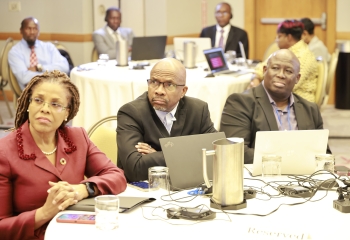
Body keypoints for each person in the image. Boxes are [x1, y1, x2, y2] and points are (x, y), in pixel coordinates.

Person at [0, 70, 127, 240]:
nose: (45, 109)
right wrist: (44, 213)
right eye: (38, 100)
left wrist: (83, 189)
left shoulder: (78, 138)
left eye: (55, 104)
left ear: (67, 112)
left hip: (78, 232)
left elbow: (116, 176)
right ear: (28, 105)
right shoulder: (5, 152)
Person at [220, 49, 329, 164]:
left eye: (288, 71)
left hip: (303, 178)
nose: (281, 75)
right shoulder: (240, 103)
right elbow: (234, 152)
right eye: (275, 68)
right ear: (265, 70)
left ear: (297, 78)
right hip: (260, 178)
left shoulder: (310, 110)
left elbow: (324, 154)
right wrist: (287, 158)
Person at [117, 58, 217, 182]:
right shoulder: (131, 112)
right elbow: (135, 169)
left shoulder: (198, 110)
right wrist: (191, 154)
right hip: (145, 192)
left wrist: (159, 153)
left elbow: (216, 154)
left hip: (188, 187)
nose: (159, 91)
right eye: (154, 82)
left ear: (183, 91)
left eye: (169, 85)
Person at [249, 19, 318, 103]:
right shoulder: (283, 52)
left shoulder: (305, 56)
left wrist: (257, 87)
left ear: (288, 38)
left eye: (279, 36)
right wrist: (255, 78)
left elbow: (288, 85)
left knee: (250, 97)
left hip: (298, 103)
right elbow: (261, 67)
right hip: (278, 97)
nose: (276, 40)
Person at [8, 17, 70, 90]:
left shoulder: (48, 47)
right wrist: (52, 74)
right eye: (28, 28)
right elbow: (24, 78)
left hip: (54, 89)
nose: (32, 32)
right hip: (31, 94)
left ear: (38, 31)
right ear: (21, 31)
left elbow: (65, 67)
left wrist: (39, 68)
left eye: (35, 29)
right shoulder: (15, 52)